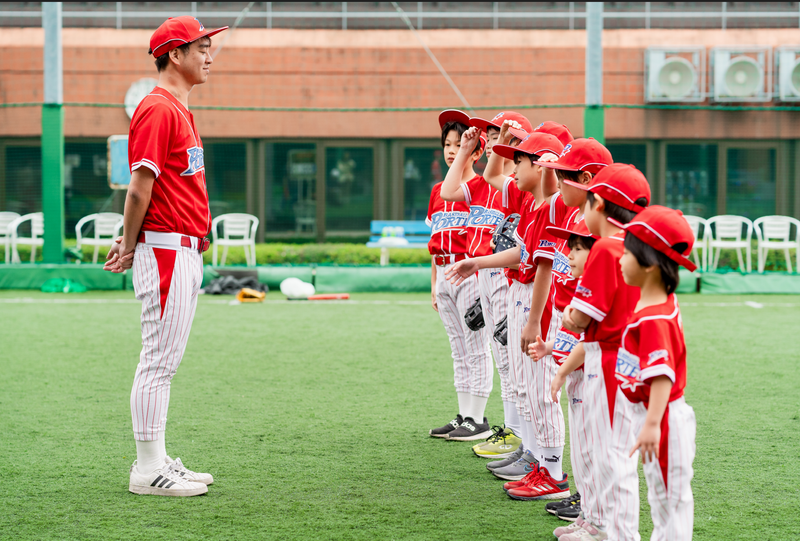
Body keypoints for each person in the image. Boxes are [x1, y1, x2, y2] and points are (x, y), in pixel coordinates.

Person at [104, 16, 227, 497]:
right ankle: (147, 468)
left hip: (181, 248)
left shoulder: (176, 108)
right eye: (201, 47)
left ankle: (157, 459)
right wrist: (130, 243)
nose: (209, 55)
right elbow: (139, 188)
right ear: (175, 54)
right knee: (158, 361)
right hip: (167, 248)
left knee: (164, 360)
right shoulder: (158, 108)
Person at [445, 130, 565, 491]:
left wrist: (532, 320)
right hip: (520, 290)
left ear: (543, 165)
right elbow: (525, 253)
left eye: (519, 158)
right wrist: (478, 262)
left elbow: (542, 265)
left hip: (538, 301)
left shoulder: (553, 204)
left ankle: (552, 472)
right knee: (525, 385)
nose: (511, 166)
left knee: (541, 390)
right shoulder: (529, 202)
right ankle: (537, 459)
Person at [551, 163, 651, 541]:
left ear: (600, 204)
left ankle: (617, 533)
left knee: (613, 457)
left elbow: (577, 319)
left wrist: (565, 311)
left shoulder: (608, 246)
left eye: (589, 200)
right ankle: (597, 523)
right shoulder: (633, 245)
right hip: (618, 355)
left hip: (610, 358)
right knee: (605, 452)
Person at [438, 111, 532, 459]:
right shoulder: (481, 184)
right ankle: (511, 431)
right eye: (489, 135)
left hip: (507, 277)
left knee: (514, 360)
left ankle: (521, 436)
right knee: (501, 358)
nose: (491, 140)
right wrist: (465, 149)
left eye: (499, 135)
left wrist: (504, 145)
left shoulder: (518, 188)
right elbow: (447, 190)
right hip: (480, 273)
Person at [616, 206, 697, 541]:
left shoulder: (654, 317)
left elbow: (661, 376)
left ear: (649, 264)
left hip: (661, 420)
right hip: (654, 416)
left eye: (626, 253)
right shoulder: (655, 302)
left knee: (669, 502)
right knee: (663, 498)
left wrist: (651, 425)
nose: (619, 259)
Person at [427, 109, 494, 442]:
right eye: (447, 144)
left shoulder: (481, 188)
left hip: (469, 272)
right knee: (458, 347)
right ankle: (464, 414)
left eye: (459, 144)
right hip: (443, 270)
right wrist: (433, 284)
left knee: (476, 346)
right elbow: (434, 241)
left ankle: (478, 418)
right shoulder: (439, 190)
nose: (451, 150)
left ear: (477, 151)